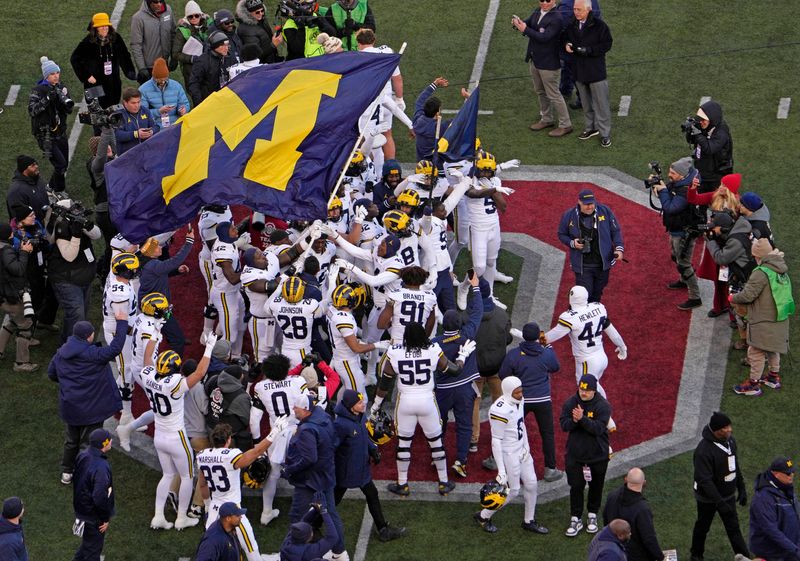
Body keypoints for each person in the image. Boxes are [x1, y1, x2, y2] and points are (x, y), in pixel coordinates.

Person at [371, 322, 475, 497]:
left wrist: (376, 404)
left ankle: (402, 483)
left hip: (405, 402)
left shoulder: (395, 352)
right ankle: (443, 482)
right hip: (427, 400)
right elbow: (454, 370)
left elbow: (385, 382)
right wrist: (463, 356)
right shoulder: (433, 349)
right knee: (435, 441)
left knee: (404, 443)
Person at [141, 332, 217, 531]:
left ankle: (158, 516)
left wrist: (154, 338)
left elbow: (147, 359)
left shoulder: (149, 376)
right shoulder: (174, 384)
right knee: (186, 476)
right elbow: (199, 373)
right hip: (176, 436)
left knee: (167, 475)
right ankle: (181, 517)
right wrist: (209, 348)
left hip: (159, 435)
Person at [48, 316, 126, 485]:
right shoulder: (94, 354)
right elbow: (116, 347)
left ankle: (67, 472)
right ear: (89, 337)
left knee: (71, 441)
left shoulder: (61, 354)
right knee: (88, 443)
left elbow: (52, 374)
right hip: (92, 409)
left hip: (70, 407)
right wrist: (122, 322)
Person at [197, 422, 283, 560]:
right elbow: (256, 452)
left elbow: (202, 485)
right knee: (251, 549)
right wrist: (273, 434)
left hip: (214, 510)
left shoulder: (202, 456)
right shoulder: (231, 455)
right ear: (229, 439)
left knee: (216, 550)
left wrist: (207, 505)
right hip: (233, 511)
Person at [473, 376, 548, 534]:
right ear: (508, 392)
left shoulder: (519, 400)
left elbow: (522, 424)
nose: (520, 394)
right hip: (509, 453)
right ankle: (483, 515)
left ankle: (529, 520)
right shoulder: (499, 410)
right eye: (517, 392)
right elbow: (496, 441)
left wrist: (526, 446)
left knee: (532, 484)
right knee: (513, 490)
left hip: (522, 450)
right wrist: (501, 470)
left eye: (521, 390)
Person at [545, 285, 626, 429]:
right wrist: (622, 346)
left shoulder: (569, 317)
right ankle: (605, 417)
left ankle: (605, 418)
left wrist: (534, 338)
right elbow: (610, 328)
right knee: (595, 386)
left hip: (587, 361)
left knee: (588, 389)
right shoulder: (598, 307)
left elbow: (551, 337)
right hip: (601, 356)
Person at [334, 389, 407, 542]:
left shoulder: (359, 416)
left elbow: (363, 436)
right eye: (359, 403)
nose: (363, 404)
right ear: (350, 406)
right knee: (334, 498)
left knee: (372, 494)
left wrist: (373, 450)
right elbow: (332, 448)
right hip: (347, 471)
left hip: (361, 468)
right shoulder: (340, 424)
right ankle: (313, 524)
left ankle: (383, 529)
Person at [283, 394, 348, 561]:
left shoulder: (307, 430)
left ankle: (294, 553)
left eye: (296, 407)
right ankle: (340, 552)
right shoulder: (324, 416)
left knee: (297, 516)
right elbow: (334, 441)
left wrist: (289, 469)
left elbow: (308, 458)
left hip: (308, 480)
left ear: (305, 409)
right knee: (331, 513)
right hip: (326, 474)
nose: (293, 410)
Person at [499, 321, 563, 482]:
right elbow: (555, 367)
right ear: (537, 337)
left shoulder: (514, 354)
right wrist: (548, 347)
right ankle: (550, 469)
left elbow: (503, 375)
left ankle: (495, 460)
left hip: (521, 399)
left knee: (508, 429)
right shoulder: (545, 353)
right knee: (547, 433)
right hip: (542, 399)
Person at [433, 273, 481, 478]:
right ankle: (460, 460)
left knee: (439, 424)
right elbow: (477, 313)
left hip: (442, 391)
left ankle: (438, 456)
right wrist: (476, 288)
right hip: (463, 389)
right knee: (464, 425)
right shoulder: (467, 334)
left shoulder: (435, 343)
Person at [731, 239, 793, 396]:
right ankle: (773, 377)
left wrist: (733, 297)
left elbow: (748, 296)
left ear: (759, 255)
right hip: (780, 317)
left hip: (763, 319)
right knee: (772, 348)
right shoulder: (781, 268)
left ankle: (753, 385)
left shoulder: (761, 272)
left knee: (756, 351)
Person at [690, 411, 750, 560]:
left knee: (734, 528)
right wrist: (719, 502)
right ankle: (696, 555)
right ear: (717, 431)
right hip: (707, 499)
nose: (730, 429)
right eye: (726, 427)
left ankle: (745, 558)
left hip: (727, 495)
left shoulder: (730, 441)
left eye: (729, 426)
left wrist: (741, 487)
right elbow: (705, 481)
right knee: (703, 526)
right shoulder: (703, 451)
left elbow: (735, 465)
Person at [560, 374, 612, 538]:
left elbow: (598, 429)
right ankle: (575, 518)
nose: (583, 393)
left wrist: (581, 419)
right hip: (575, 455)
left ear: (594, 390)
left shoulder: (603, 405)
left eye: (587, 390)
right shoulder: (570, 403)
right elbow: (564, 425)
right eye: (581, 389)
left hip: (598, 455)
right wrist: (575, 421)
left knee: (596, 486)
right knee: (576, 487)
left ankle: (592, 514)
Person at [513, 0, 572, 137]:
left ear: (554, 1)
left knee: (554, 94)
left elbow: (545, 37)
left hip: (549, 63)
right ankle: (547, 119)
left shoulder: (557, 18)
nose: (544, 3)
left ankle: (566, 124)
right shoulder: (537, 11)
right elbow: (528, 24)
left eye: (548, 0)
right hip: (536, 60)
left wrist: (525, 29)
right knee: (540, 91)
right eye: (542, 0)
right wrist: (518, 24)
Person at [46, 200, 102, 343]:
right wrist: (76, 235)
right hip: (67, 279)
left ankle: (67, 342)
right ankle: (71, 351)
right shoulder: (61, 227)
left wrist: (87, 226)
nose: (77, 213)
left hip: (83, 276)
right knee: (77, 316)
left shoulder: (77, 222)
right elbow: (69, 256)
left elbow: (97, 235)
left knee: (77, 314)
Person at [652, 157, 704, 310]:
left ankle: (695, 297)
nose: (670, 175)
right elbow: (667, 193)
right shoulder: (680, 183)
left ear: (682, 175)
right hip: (677, 230)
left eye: (673, 173)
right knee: (676, 256)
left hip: (683, 233)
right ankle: (683, 280)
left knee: (684, 264)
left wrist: (662, 191)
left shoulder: (685, 190)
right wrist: (658, 187)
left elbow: (670, 207)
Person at [557, 189, 624, 303]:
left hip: (603, 264)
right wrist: (572, 243)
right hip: (583, 265)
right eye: (586, 204)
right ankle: (574, 317)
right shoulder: (569, 215)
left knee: (597, 294)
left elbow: (615, 231)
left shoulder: (605, 211)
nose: (589, 207)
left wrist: (619, 248)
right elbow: (561, 234)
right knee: (583, 296)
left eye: (591, 203)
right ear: (579, 202)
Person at [470, 278, 512, 457]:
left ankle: (473, 440)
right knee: (501, 401)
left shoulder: (468, 316)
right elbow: (508, 338)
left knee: (474, 402)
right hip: (497, 366)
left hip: (476, 368)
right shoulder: (502, 315)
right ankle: (501, 435)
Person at [563, 0, 613, 148]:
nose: (576, 12)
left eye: (579, 9)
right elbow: (564, 37)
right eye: (574, 9)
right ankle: (590, 128)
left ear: (588, 10)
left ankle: (605, 133)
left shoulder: (599, 25)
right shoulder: (572, 24)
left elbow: (607, 44)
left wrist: (588, 50)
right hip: (579, 70)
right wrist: (566, 44)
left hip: (595, 71)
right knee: (585, 103)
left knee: (601, 104)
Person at [138, 227, 195, 357]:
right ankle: (172, 366)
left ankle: (171, 335)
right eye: (157, 247)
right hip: (157, 309)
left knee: (166, 327)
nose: (160, 248)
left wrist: (176, 271)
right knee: (178, 340)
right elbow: (175, 261)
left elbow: (162, 272)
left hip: (152, 305)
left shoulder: (149, 263)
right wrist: (189, 241)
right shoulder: (154, 266)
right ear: (151, 253)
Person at [70, 13, 136, 108]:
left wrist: (130, 72)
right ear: (95, 28)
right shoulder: (87, 42)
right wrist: (86, 76)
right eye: (101, 26)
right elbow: (75, 59)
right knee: (96, 112)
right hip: (94, 85)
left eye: (106, 25)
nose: (105, 28)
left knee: (113, 111)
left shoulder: (116, 39)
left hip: (113, 82)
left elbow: (124, 56)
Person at [27, 56, 74, 192]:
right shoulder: (38, 90)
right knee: (60, 165)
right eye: (52, 74)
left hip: (60, 132)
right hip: (45, 134)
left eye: (57, 73)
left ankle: (51, 187)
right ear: (46, 75)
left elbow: (69, 109)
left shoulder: (61, 87)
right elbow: (32, 110)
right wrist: (47, 99)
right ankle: (58, 190)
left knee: (63, 165)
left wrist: (62, 100)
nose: (56, 76)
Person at [72, 429, 115, 561]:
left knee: (88, 545)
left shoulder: (82, 455)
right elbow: (99, 498)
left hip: (81, 509)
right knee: (93, 552)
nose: (112, 441)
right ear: (104, 444)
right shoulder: (102, 467)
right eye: (109, 439)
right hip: (93, 516)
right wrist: (105, 518)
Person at [602, 468, 663, 561]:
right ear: (644, 483)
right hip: (635, 555)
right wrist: (660, 556)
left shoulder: (612, 495)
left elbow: (605, 518)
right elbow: (649, 538)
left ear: (626, 479)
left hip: (614, 549)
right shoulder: (642, 509)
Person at [0, 224, 37, 372]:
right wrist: (24, 252)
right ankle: (22, 363)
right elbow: (18, 269)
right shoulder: (6, 250)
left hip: (3, 296)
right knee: (25, 326)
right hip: (11, 296)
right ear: (8, 235)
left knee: (10, 321)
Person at [749, 457, 800, 561]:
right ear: (776, 474)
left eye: (792, 472)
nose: (791, 476)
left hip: (790, 548)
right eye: (788, 473)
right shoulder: (763, 498)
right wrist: (795, 550)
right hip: (774, 553)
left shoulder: (786, 487)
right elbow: (771, 530)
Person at [686, 100, 734, 194]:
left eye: (703, 119)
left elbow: (710, 149)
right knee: (698, 199)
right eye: (699, 118)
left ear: (712, 119)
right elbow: (691, 141)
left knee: (715, 202)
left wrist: (698, 134)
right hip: (702, 171)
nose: (700, 122)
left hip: (716, 176)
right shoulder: (704, 126)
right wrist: (690, 132)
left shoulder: (722, 132)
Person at [280, 495, 342, 561]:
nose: (312, 532)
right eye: (311, 532)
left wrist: (315, 510)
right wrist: (324, 512)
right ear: (308, 538)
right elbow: (332, 537)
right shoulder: (309, 552)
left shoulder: (289, 539)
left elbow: (304, 521)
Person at [130, 0, 176, 84]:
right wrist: (142, 68)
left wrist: (174, 57)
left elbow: (173, 34)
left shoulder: (168, 10)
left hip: (163, 63)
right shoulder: (138, 18)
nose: (159, 4)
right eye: (155, 2)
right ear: (149, 2)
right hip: (148, 67)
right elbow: (136, 45)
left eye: (161, 1)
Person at [138, 57, 190, 128]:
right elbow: (142, 113)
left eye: (165, 79)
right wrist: (159, 111)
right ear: (154, 77)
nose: (162, 82)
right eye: (159, 79)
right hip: (155, 127)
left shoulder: (176, 86)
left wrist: (183, 109)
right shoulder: (143, 90)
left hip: (176, 125)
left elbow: (185, 103)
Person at [173, 1, 213, 85]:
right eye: (190, 16)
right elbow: (176, 54)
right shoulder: (182, 31)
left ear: (201, 15)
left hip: (210, 65)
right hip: (191, 68)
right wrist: (192, 58)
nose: (194, 18)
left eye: (196, 15)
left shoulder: (210, 25)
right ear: (187, 18)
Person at [188, 31, 233, 106]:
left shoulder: (230, 58)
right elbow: (194, 84)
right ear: (215, 46)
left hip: (226, 100)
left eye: (227, 45)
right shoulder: (202, 61)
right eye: (222, 46)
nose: (226, 48)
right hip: (208, 102)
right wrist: (200, 103)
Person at [115, 87, 160, 155]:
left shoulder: (144, 110)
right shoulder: (118, 114)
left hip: (146, 153)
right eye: (133, 103)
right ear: (125, 102)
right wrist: (136, 134)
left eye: (138, 102)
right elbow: (118, 135)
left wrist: (151, 131)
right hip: (127, 156)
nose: (137, 105)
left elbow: (156, 127)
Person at [7, 156, 49, 221]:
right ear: (25, 170)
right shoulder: (17, 191)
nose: (36, 166)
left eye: (36, 164)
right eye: (33, 165)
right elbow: (18, 217)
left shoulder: (37, 179)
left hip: (45, 220)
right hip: (32, 227)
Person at [0, 497, 28, 561]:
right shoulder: (7, 544)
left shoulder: (12, 524)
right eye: (22, 507)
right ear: (17, 513)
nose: (23, 508)